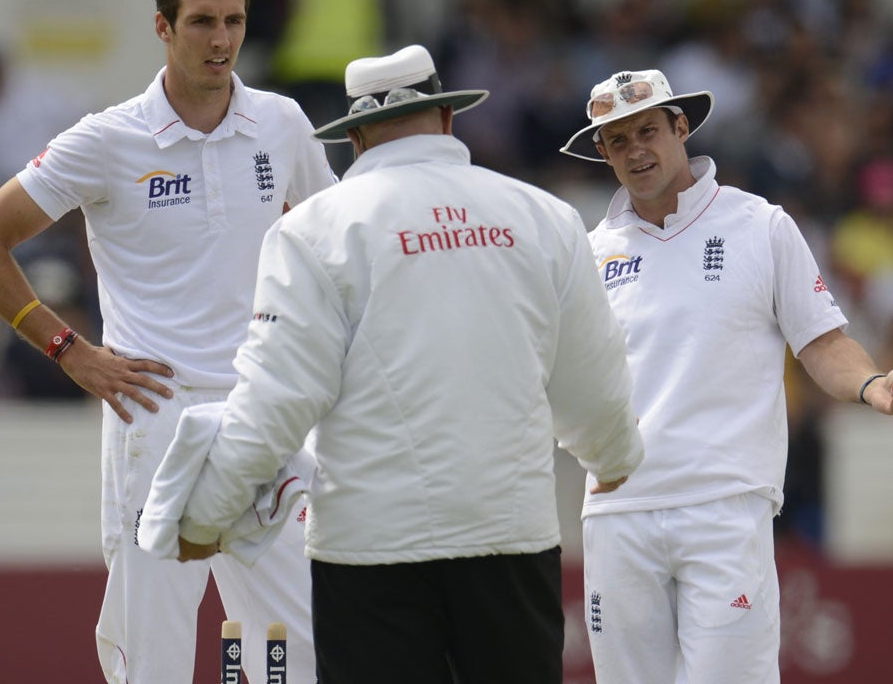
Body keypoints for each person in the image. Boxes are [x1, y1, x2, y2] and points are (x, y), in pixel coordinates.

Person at [142, 43, 645, 682]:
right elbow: (591, 376)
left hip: (369, 550)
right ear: (446, 119)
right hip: (510, 537)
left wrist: (207, 514)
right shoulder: (543, 216)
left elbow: (279, 396)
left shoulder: (313, 229)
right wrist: (613, 456)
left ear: (354, 138)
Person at [0, 0, 336, 684]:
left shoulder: (283, 123)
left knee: (297, 654)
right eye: (200, 22)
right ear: (163, 27)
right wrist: (72, 351)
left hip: (268, 414)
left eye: (233, 20)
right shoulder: (107, 139)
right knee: (152, 658)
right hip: (155, 418)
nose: (220, 40)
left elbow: (336, 251)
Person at [559, 68, 893, 684]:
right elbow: (562, 377)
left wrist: (874, 388)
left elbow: (823, 342)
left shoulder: (760, 225)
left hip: (725, 506)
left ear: (681, 127)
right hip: (617, 512)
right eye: (618, 140)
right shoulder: (587, 251)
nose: (636, 150)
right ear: (602, 152)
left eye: (648, 130)